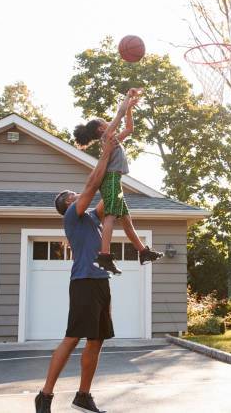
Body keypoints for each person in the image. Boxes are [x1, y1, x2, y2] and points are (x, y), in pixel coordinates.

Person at [33, 134, 119, 413]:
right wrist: (104, 153)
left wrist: (116, 160)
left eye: (74, 194)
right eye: (70, 196)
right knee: (72, 338)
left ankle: (83, 395)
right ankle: (45, 395)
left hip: (101, 282)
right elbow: (92, 184)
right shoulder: (72, 217)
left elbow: (109, 192)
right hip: (83, 282)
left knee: (97, 341)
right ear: (67, 206)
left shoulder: (92, 218)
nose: (75, 195)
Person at [72, 88, 163, 274]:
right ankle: (104, 255)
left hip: (115, 181)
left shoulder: (112, 140)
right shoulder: (106, 137)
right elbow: (119, 114)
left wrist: (130, 109)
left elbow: (129, 128)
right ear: (101, 128)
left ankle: (143, 252)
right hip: (111, 179)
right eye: (106, 122)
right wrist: (128, 97)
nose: (108, 122)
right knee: (111, 217)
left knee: (127, 221)